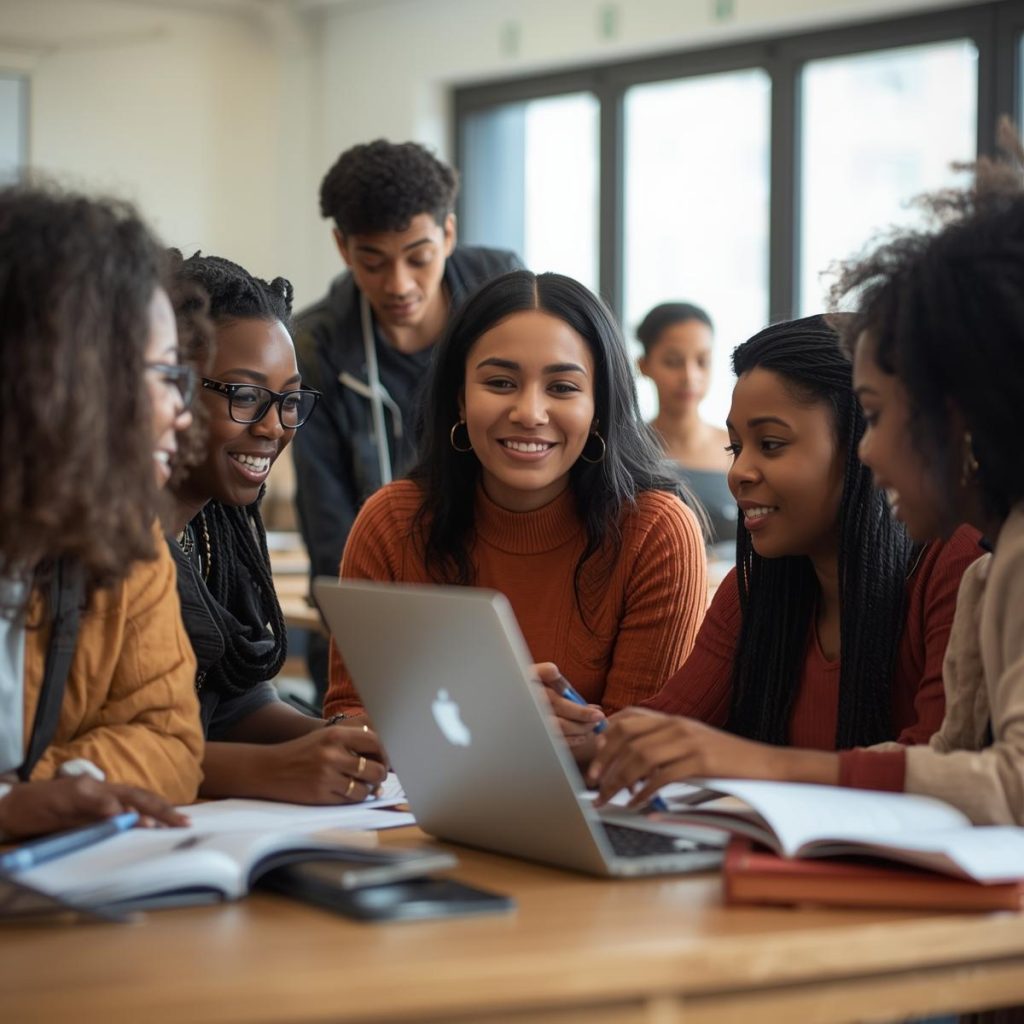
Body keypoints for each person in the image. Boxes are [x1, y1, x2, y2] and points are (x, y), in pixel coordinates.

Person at [585, 314, 982, 804]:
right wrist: (565, 729)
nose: (739, 473)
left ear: (866, 442)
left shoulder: (958, 563)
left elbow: (941, 774)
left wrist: (756, 762)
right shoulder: (755, 587)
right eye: (735, 447)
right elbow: (668, 731)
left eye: (770, 444)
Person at [325, 270, 708, 749]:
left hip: (596, 820)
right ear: (460, 399)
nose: (529, 412)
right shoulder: (392, 521)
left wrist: (455, 725)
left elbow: (636, 748)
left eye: (563, 388)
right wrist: (507, 721)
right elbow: (349, 715)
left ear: (600, 406)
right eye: (501, 382)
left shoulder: (656, 531)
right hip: (412, 815)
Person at [0, 187, 204, 839]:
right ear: (73, 375)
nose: (183, 410)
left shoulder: (121, 532)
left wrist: (36, 795)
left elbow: (173, 745)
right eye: (166, 374)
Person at [292, 139, 523, 696]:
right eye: (374, 261)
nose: (398, 284)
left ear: (447, 233)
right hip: (390, 604)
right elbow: (330, 525)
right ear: (343, 248)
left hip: (507, 583)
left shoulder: (504, 298)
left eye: (418, 257)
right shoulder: (318, 346)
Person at [167, 253, 386, 804]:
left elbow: (235, 704)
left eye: (289, 400)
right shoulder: (93, 542)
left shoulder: (217, 524)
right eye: (244, 395)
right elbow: (81, 746)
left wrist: (339, 738)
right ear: (169, 387)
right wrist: (265, 771)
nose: (273, 426)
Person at [637, 302, 736, 548]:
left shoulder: (738, 447)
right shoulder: (626, 448)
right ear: (643, 365)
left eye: (702, 361)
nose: (690, 376)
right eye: (673, 362)